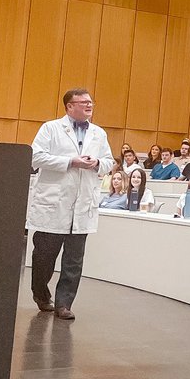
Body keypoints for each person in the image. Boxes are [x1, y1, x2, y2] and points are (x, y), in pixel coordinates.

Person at [28, 88, 114, 321]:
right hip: (53, 204)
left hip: (82, 205)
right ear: (69, 106)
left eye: (91, 102)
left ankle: (64, 303)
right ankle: (41, 294)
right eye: (84, 102)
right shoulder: (50, 128)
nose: (89, 105)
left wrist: (97, 162)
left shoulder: (98, 133)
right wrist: (70, 161)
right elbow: (35, 156)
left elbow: (109, 162)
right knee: (44, 256)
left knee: (73, 261)